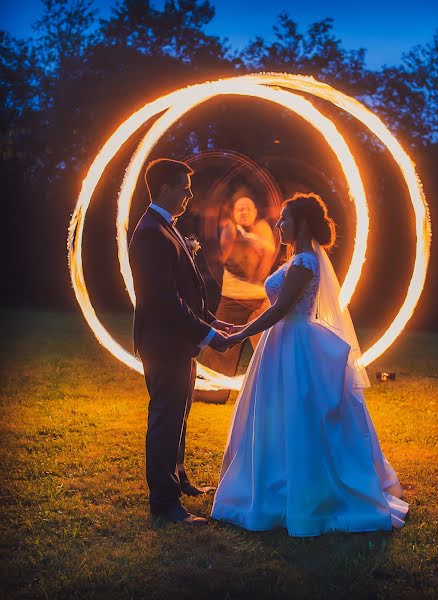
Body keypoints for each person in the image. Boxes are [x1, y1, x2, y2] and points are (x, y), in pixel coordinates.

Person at [211, 193, 409, 536]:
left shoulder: (304, 263)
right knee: (280, 417)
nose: (278, 225)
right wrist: (237, 328)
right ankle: (281, 483)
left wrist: (240, 334)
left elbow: (279, 309)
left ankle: (297, 492)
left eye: (284, 220)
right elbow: (273, 309)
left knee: (296, 417)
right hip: (283, 343)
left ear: (301, 223)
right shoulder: (299, 261)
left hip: (293, 345)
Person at [129, 158, 232, 527]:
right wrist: (206, 335)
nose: (190, 195)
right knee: (165, 418)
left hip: (177, 343)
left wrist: (210, 321)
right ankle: (165, 504)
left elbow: (183, 292)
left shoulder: (165, 228)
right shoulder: (150, 233)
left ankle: (179, 479)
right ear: (165, 188)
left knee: (179, 416)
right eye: (184, 187)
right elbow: (164, 299)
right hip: (164, 344)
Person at [194, 195, 275, 404]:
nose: (244, 212)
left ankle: (276, 390)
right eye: (240, 209)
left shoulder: (262, 228)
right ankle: (213, 390)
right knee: (220, 345)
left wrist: (251, 240)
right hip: (233, 297)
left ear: (256, 211)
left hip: (260, 299)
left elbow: (268, 252)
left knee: (270, 347)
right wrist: (238, 237)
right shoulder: (230, 229)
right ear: (234, 213)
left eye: (248, 208)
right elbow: (226, 255)